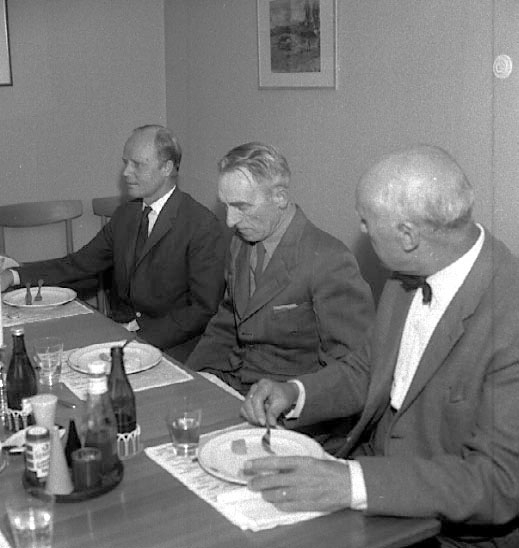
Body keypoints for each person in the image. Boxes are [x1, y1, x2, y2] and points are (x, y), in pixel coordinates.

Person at [240, 145, 519, 548]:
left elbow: (499, 482)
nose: (362, 230)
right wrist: (295, 392)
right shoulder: (405, 278)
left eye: (366, 221)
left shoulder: (509, 316)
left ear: (408, 236)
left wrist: (351, 483)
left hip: (450, 534)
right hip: (375, 484)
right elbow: (367, 368)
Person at [1, 125, 226, 360]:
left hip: (173, 346)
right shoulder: (126, 215)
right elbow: (78, 264)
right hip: (121, 332)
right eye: (126, 163)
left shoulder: (201, 225)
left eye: (137, 164)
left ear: (166, 168)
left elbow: (203, 309)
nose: (126, 172)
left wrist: (138, 339)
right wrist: (13, 275)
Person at [186, 142, 374, 396]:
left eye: (241, 207)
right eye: (226, 206)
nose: (230, 221)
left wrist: (292, 398)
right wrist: (192, 377)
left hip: (286, 403)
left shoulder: (330, 260)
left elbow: (351, 370)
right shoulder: (241, 242)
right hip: (232, 382)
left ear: (280, 198)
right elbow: (227, 322)